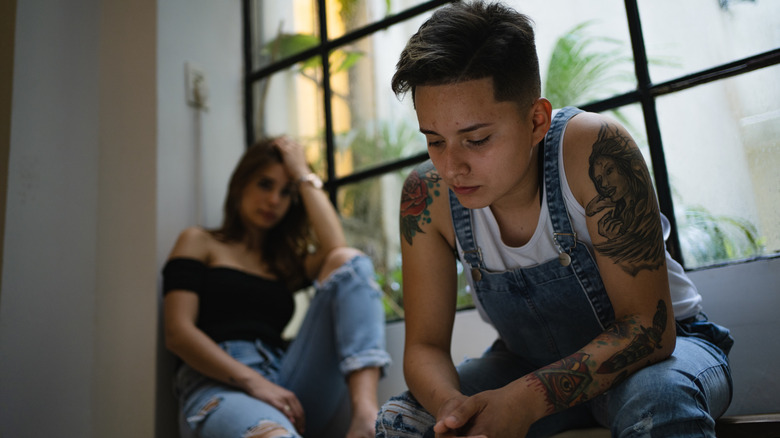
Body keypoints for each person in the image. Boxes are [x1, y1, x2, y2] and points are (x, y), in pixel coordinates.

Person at [376, 2, 733, 437]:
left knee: (658, 400)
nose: (451, 167)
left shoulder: (592, 150)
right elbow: (425, 347)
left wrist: (524, 400)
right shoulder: (427, 195)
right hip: (525, 364)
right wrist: (452, 409)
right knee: (404, 421)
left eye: (477, 139)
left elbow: (650, 330)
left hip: (661, 354)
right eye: (435, 141)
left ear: (536, 121)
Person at [162, 137, 391, 438]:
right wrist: (255, 382)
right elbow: (178, 333)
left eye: (286, 193)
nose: (274, 201)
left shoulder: (283, 264)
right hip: (218, 384)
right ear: (241, 183)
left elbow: (336, 249)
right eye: (265, 185)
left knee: (349, 261)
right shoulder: (200, 242)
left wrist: (303, 175)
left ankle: (365, 418)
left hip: (286, 382)